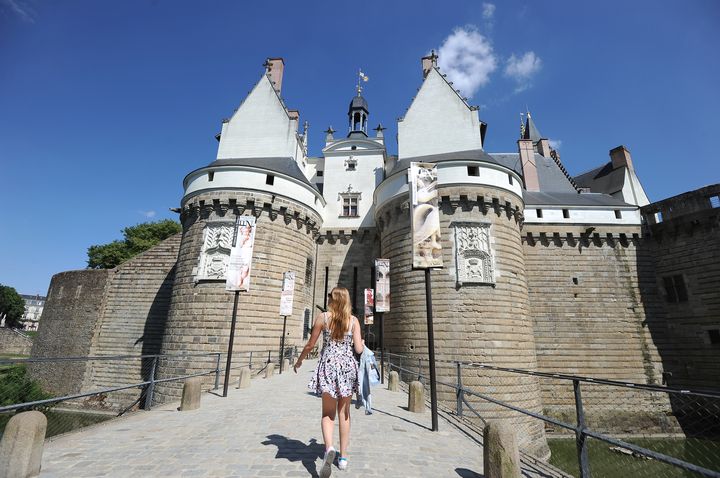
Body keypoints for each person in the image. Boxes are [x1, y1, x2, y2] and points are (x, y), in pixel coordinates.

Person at [294, 287, 364, 477]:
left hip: (328, 366)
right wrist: (362, 343)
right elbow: (358, 349)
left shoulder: (323, 318)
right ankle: (343, 458)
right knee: (345, 414)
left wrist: (299, 360)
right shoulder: (354, 321)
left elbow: (310, 344)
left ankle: (329, 449)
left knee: (327, 414)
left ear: (333, 299)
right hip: (348, 368)